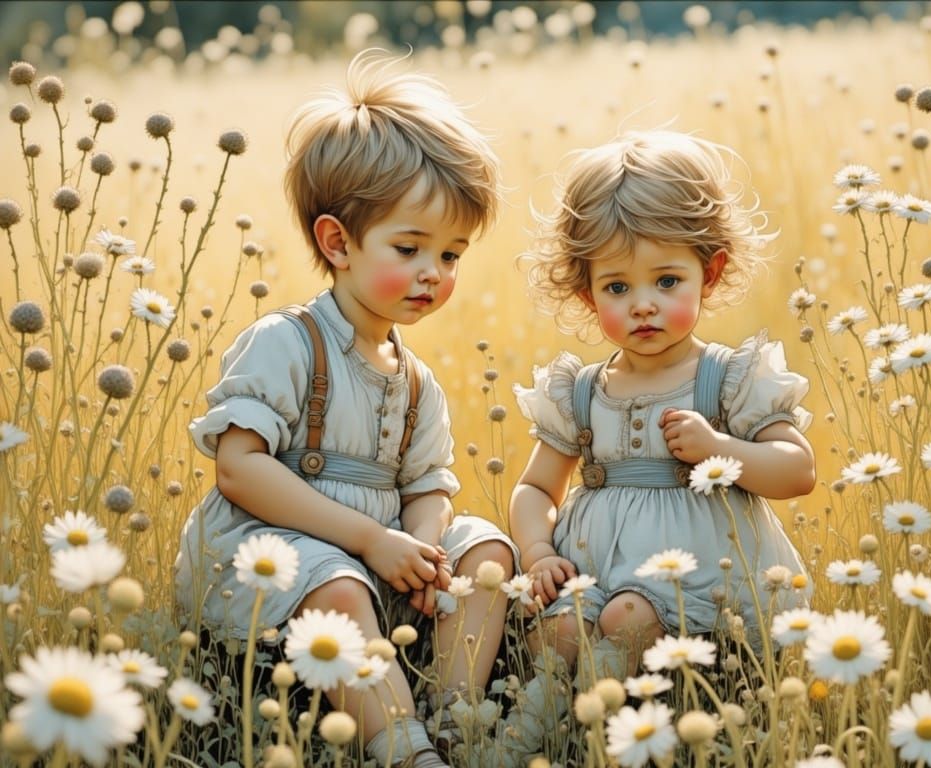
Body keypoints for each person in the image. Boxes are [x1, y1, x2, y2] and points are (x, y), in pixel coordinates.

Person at [175, 51, 514, 768]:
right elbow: (239, 471)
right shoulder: (286, 343)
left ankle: (458, 725)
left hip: (377, 553)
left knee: (485, 549)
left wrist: (423, 551)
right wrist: (367, 539)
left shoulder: (418, 382)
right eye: (411, 246)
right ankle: (404, 749)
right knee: (330, 576)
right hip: (276, 554)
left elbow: (427, 489)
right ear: (338, 242)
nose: (435, 273)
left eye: (452, 255)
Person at [510, 130, 814, 680]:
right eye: (617, 288)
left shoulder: (726, 380)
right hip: (593, 575)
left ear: (710, 273)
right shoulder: (580, 391)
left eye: (667, 281)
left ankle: (593, 716)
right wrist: (536, 550)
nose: (643, 305)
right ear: (588, 293)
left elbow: (798, 472)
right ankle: (541, 731)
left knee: (629, 617)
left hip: (691, 588)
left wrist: (720, 449)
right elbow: (536, 488)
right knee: (557, 629)